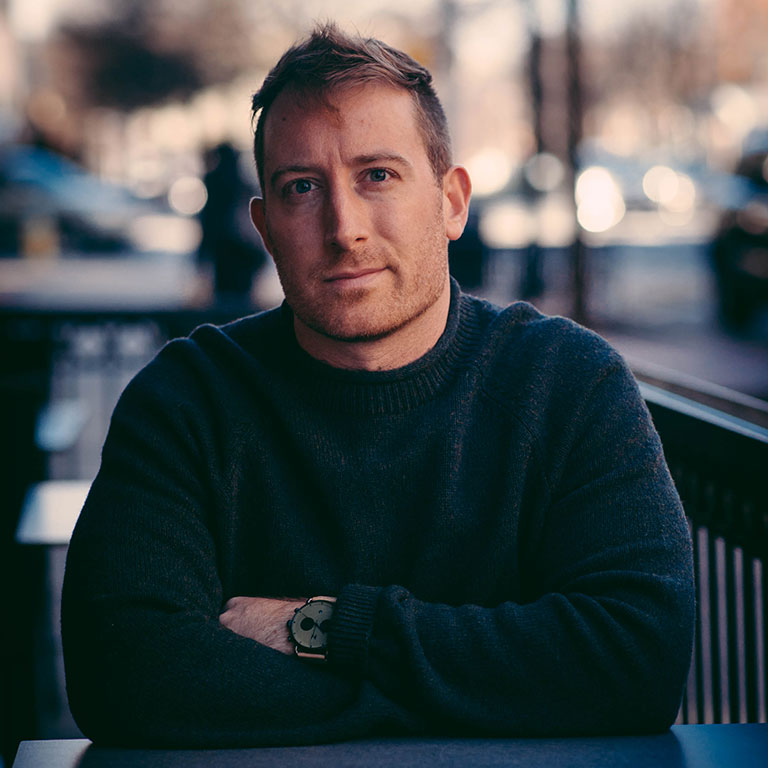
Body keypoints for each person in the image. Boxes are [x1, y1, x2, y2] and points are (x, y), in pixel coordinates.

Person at [61, 23, 695, 748]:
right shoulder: (186, 400)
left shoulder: (569, 384)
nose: (344, 228)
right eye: (302, 188)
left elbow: (637, 658)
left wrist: (327, 628)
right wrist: (485, 691)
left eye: (378, 176)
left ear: (452, 202)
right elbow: (122, 672)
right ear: (265, 228)